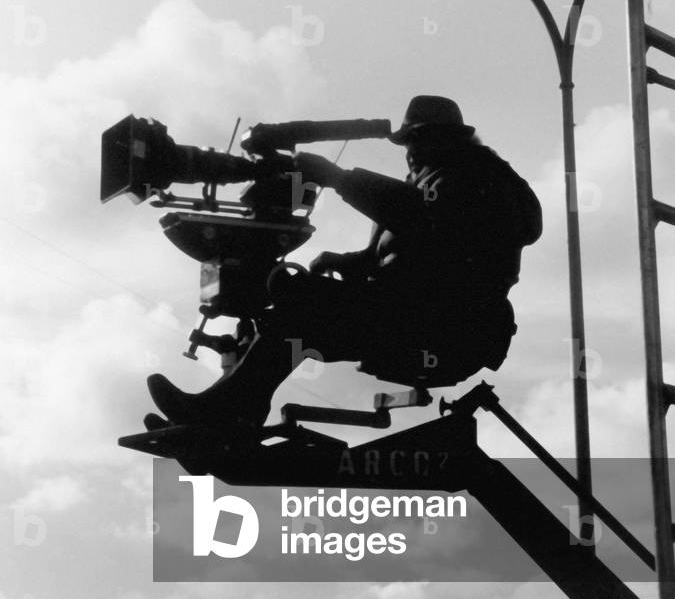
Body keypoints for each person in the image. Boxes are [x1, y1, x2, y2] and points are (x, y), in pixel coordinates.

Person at [146, 95, 542, 431]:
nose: (410, 151)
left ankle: (230, 412)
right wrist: (348, 261)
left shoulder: (477, 181)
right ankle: (225, 410)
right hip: (413, 319)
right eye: (408, 142)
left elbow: (429, 228)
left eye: (417, 139)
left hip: (447, 330)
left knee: (303, 306)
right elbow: (405, 251)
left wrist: (335, 176)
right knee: (289, 293)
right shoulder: (430, 184)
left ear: (447, 139)